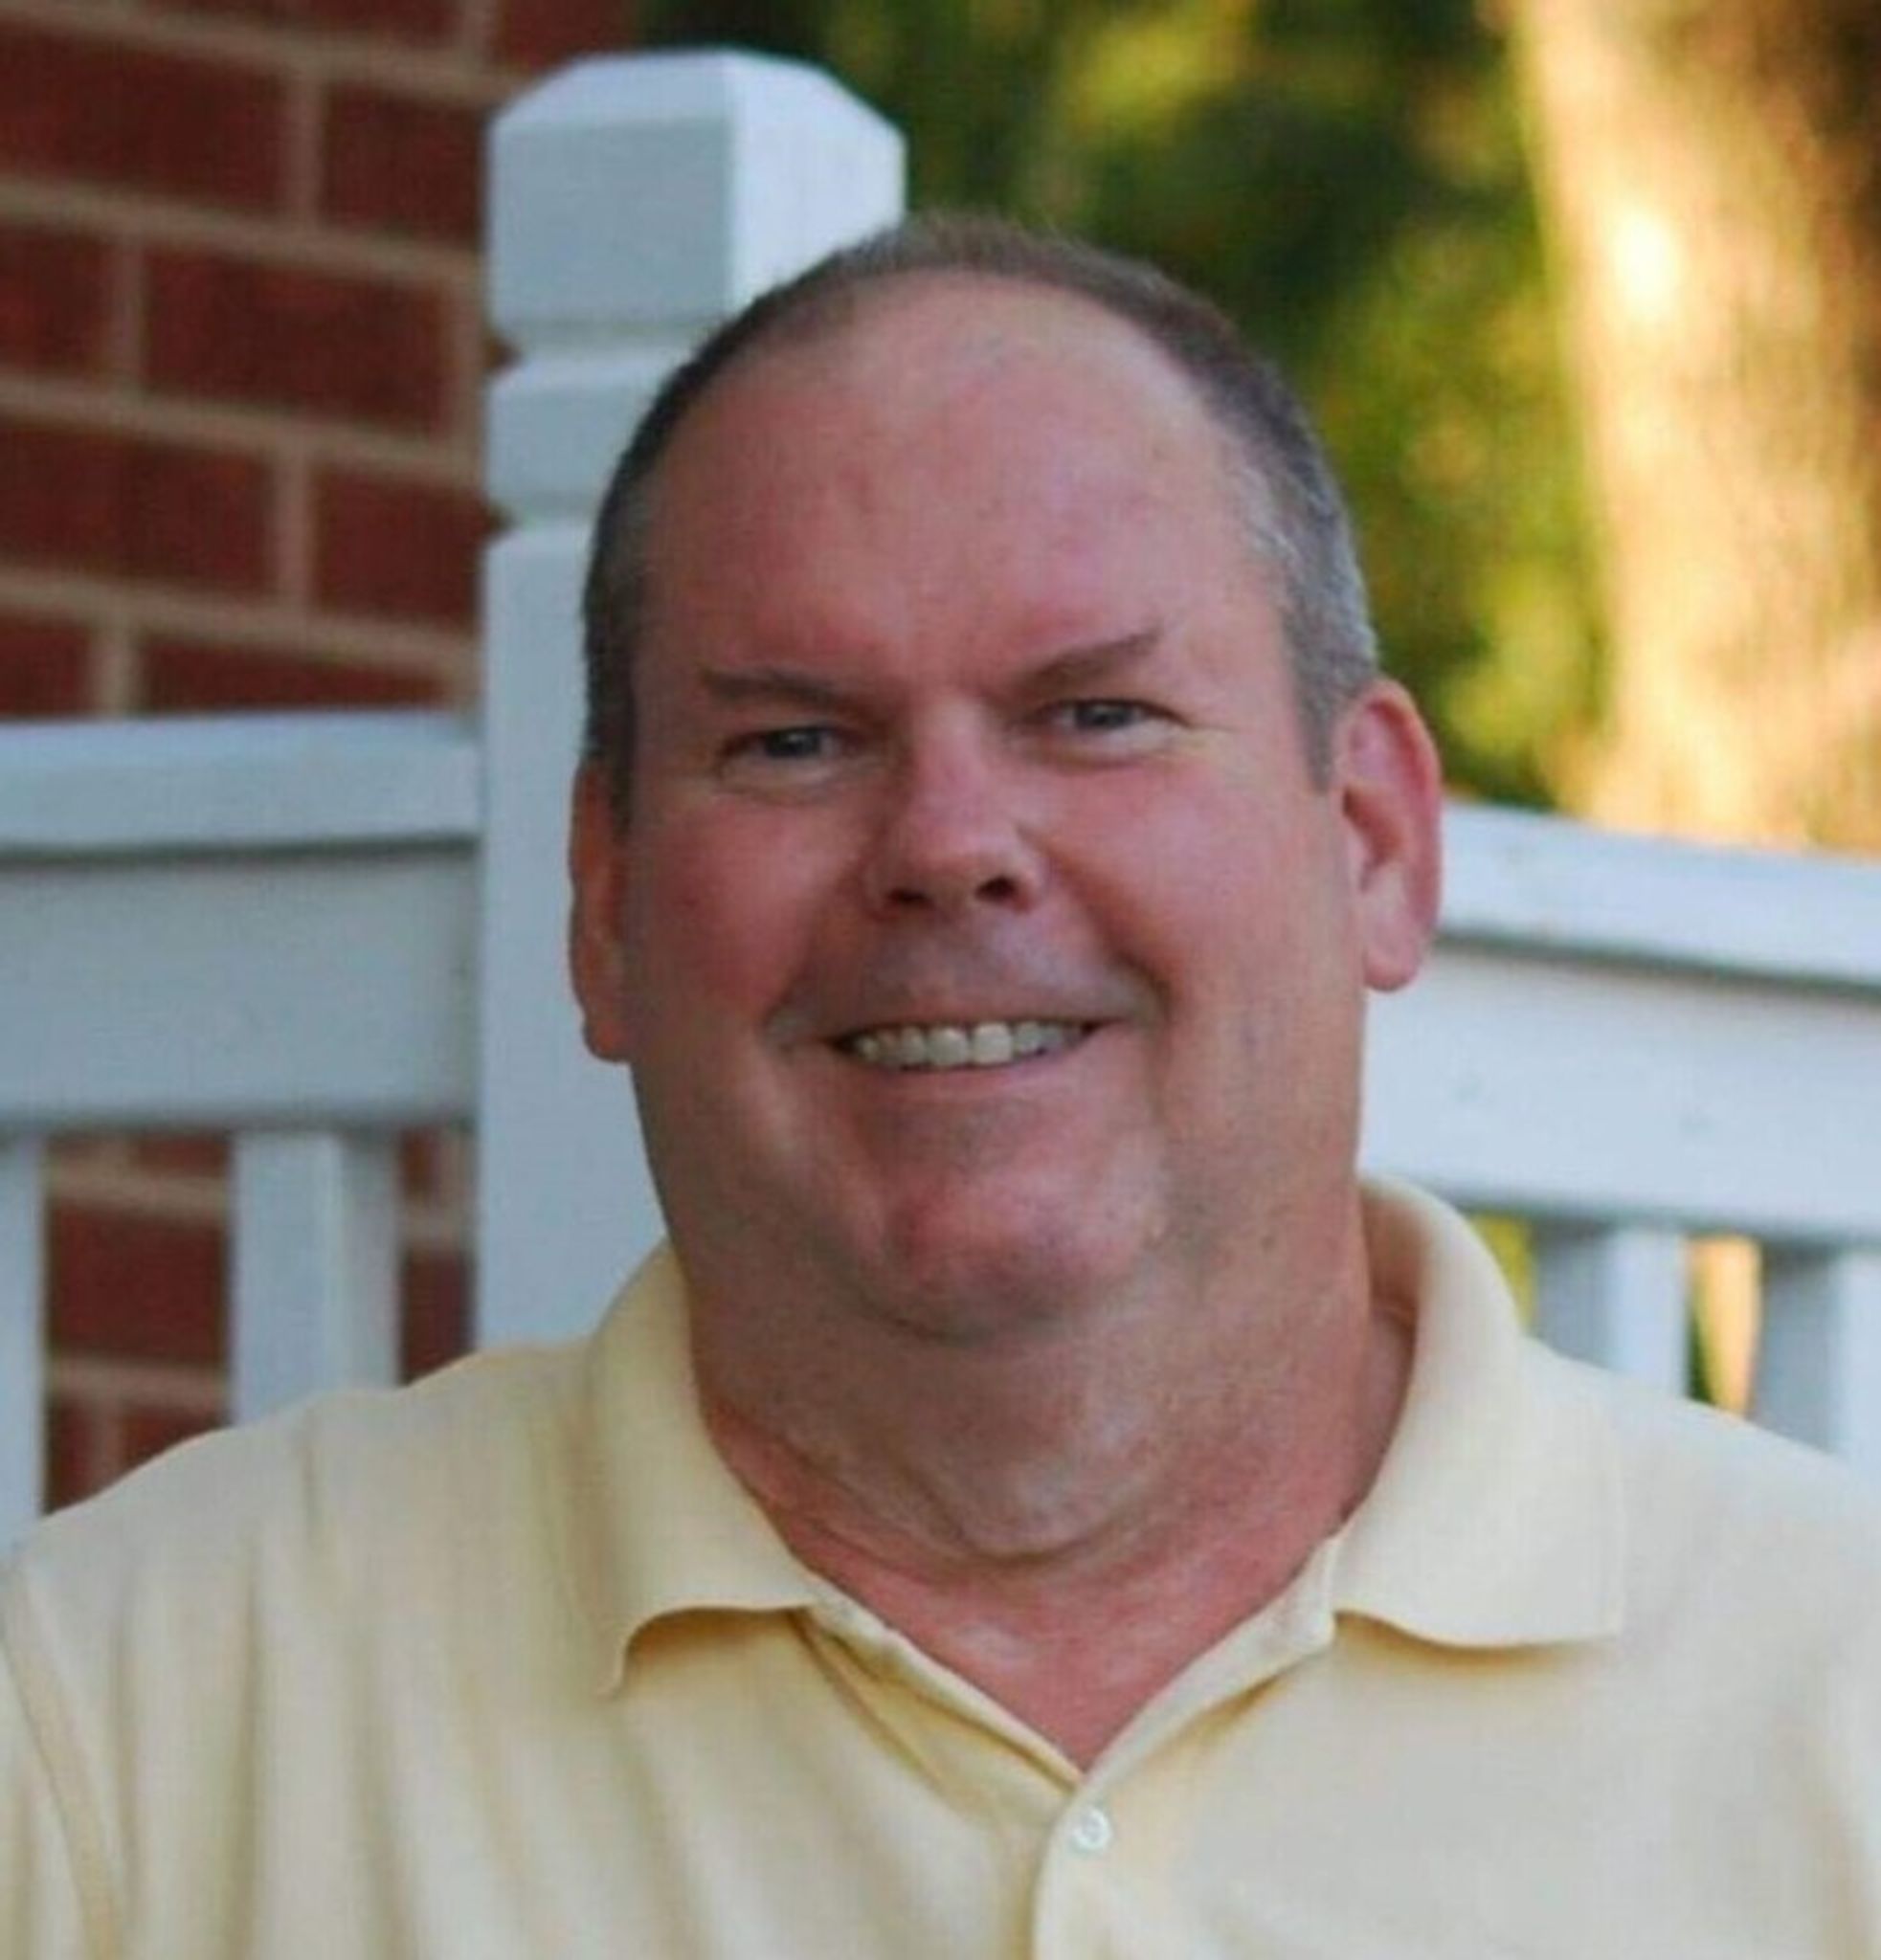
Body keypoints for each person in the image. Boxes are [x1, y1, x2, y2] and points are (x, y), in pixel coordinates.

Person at [6, 216, 1881, 1957]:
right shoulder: (121, 1726)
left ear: (1372, 839)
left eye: (1095, 715)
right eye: (793, 740)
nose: (948, 844)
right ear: (602, 901)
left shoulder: (1833, 1701)